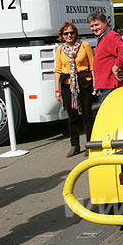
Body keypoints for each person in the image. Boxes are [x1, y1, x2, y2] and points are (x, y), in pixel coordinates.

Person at [54, 22, 95, 157]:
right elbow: (58, 70)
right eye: (66, 33)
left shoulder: (84, 46)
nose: (69, 35)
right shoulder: (60, 49)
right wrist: (57, 90)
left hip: (84, 82)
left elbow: (92, 66)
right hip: (68, 84)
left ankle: (90, 144)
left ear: (76, 33)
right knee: (72, 117)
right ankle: (74, 145)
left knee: (87, 115)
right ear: (62, 36)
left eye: (72, 32)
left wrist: (95, 84)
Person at [87, 11, 123, 103]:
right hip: (106, 86)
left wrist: (116, 67)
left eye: (97, 25)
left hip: (112, 86)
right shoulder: (103, 38)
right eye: (92, 26)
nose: (94, 28)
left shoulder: (111, 36)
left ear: (105, 23)